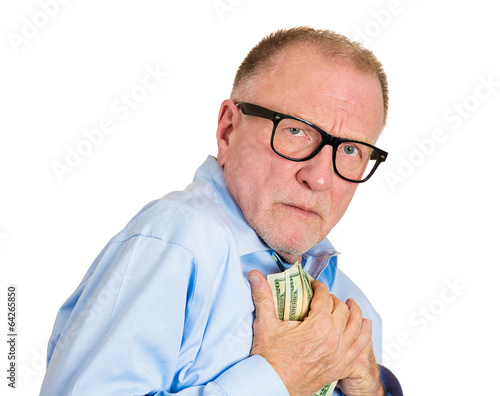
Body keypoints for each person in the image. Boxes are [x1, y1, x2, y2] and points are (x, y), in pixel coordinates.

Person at [40, 27, 401, 396]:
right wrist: (276, 380)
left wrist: (373, 390)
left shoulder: (358, 313)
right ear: (229, 130)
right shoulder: (176, 243)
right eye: (296, 131)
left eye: (351, 150)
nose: (321, 178)